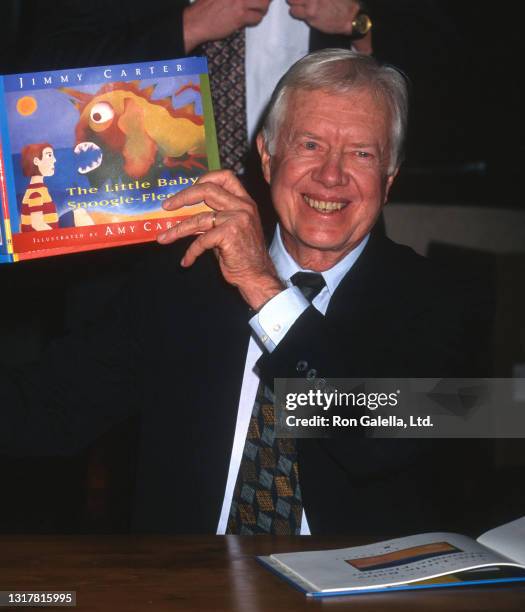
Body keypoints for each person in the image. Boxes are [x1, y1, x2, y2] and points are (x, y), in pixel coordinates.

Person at [1, 50, 495, 536]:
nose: (331, 175)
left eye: (361, 154)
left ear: (389, 180)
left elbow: (373, 441)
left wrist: (265, 289)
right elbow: (48, 408)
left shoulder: (444, 300)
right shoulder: (182, 278)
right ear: (266, 155)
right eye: (309, 145)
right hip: (190, 585)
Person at [19, 143, 59, 232]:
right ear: (36, 161)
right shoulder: (35, 193)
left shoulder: (38, 189)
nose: (54, 160)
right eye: (49, 155)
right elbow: (37, 224)